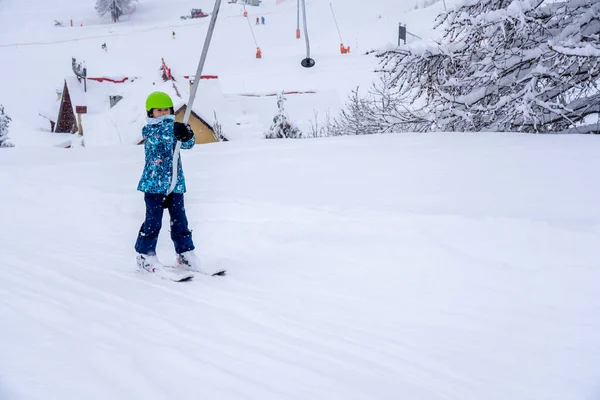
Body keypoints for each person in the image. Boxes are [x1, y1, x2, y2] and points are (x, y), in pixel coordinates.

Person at [135, 91, 204, 274]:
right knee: (153, 221)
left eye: (166, 110)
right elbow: (160, 136)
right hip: (154, 185)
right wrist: (175, 129)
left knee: (180, 222)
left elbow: (187, 144)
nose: (163, 114)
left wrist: (187, 134)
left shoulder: (174, 128)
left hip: (175, 184)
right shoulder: (149, 130)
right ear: (151, 113)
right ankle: (145, 256)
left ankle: (185, 254)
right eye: (159, 110)